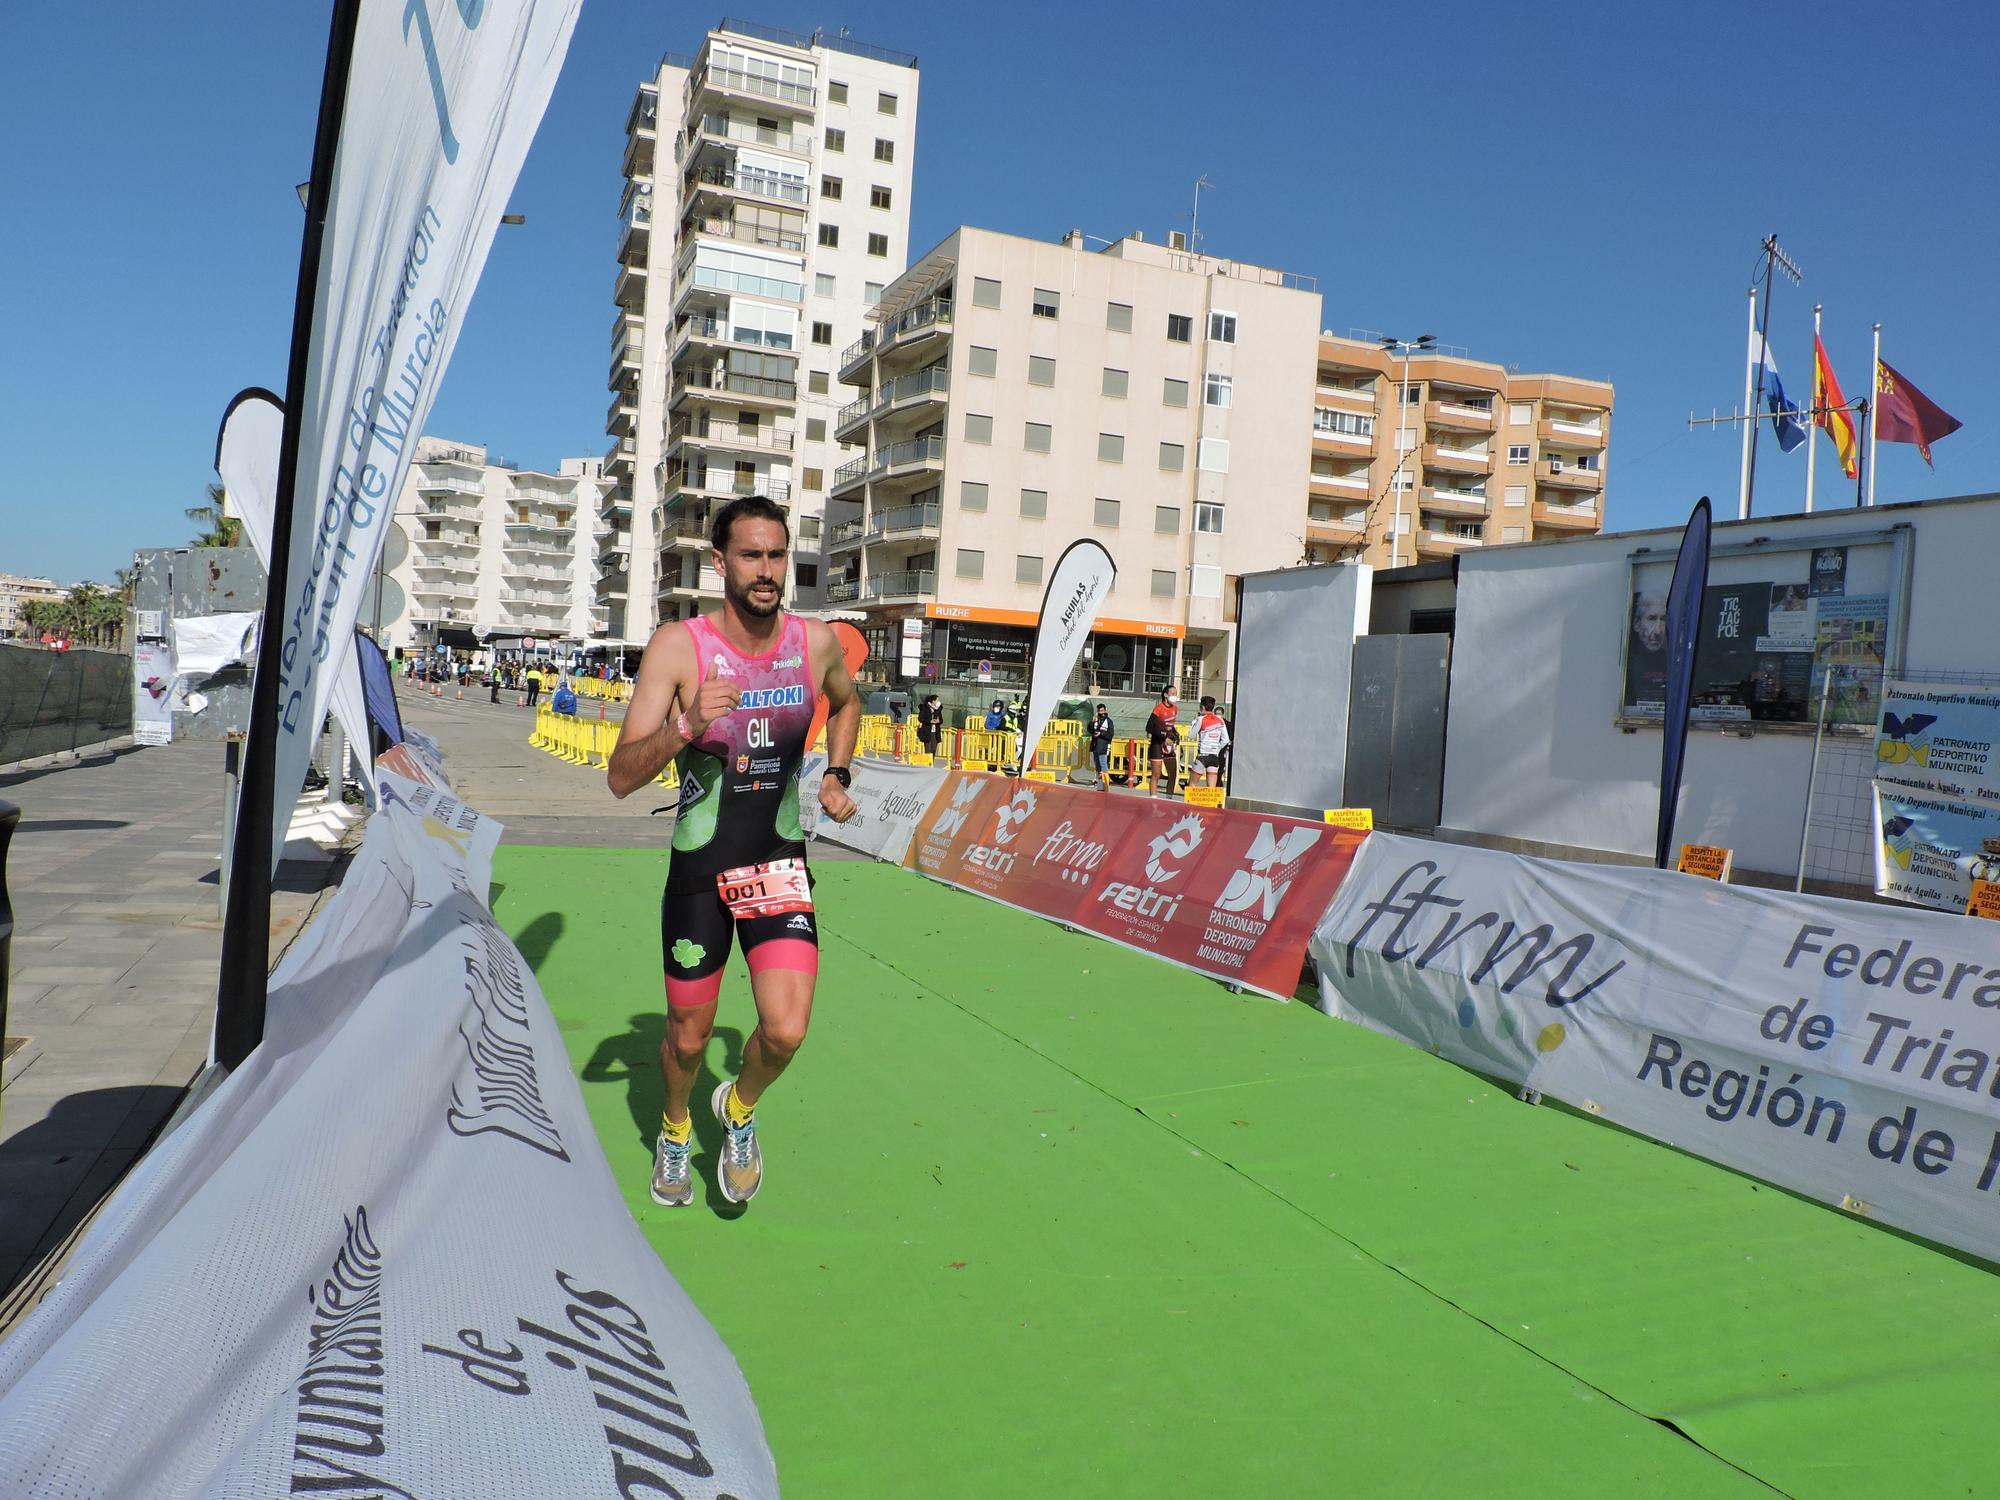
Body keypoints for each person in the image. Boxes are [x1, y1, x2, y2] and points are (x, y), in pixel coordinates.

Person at [607, 495, 860, 1209]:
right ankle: (675, 1124)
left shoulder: (813, 642)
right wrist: (686, 725)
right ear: (719, 561)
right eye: (751, 555)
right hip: (701, 872)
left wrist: (836, 774)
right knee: (687, 1042)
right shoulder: (679, 647)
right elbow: (622, 777)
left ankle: (739, 1111)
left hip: (778, 863)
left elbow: (847, 703)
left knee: (785, 1029)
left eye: (777, 555)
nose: (767, 570)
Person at [1144, 688, 1180, 797]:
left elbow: (1169, 725)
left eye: (1176, 694)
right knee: (1156, 774)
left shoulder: (1175, 708)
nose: (1175, 696)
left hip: (1169, 744)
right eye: (1172, 694)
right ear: (1165, 695)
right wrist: (1164, 738)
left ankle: (1169, 799)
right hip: (1157, 743)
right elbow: (1149, 727)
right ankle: (1153, 800)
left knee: (1173, 773)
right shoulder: (1159, 708)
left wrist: (1175, 734)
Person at [1193, 696, 1231, 788]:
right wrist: (1217, 748)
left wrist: (1195, 721)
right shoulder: (1220, 720)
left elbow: (1191, 735)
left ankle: (1191, 802)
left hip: (1203, 755)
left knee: (1192, 785)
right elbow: (1226, 739)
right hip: (1214, 756)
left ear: (1202, 707)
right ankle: (1210, 802)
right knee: (1211, 788)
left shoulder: (1201, 719)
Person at [1088, 704, 1115, 790]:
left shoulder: (1109, 721)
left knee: (1103, 765)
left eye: (1102, 711)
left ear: (1105, 710)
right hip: (1095, 745)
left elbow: (1110, 734)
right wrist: (1092, 722)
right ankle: (1100, 786)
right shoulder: (1095, 719)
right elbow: (1090, 729)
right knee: (1097, 766)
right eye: (1099, 711)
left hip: (1103, 746)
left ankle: (1106, 785)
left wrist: (1101, 733)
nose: (1100, 713)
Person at [917, 693, 944, 759]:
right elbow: (921, 718)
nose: (938, 702)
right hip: (927, 731)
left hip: (935, 732)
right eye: (937, 700)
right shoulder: (925, 708)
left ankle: (931, 763)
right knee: (928, 750)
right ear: (933, 701)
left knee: (933, 750)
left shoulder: (938, 710)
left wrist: (938, 721)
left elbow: (941, 720)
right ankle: (927, 765)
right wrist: (930, 721)